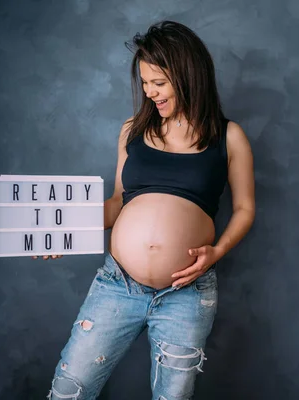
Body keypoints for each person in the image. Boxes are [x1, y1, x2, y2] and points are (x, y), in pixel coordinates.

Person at [44, 20, 256, 400]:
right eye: (144, 83)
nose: (149, 93)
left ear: (188, 74)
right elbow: (117, 203)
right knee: (69, 390)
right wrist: (68, 229)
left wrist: (218, 251)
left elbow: (244, 208)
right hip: (118, 285)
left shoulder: (229, 136)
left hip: (186, 292)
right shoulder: (133, 130)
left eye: (158, 83)